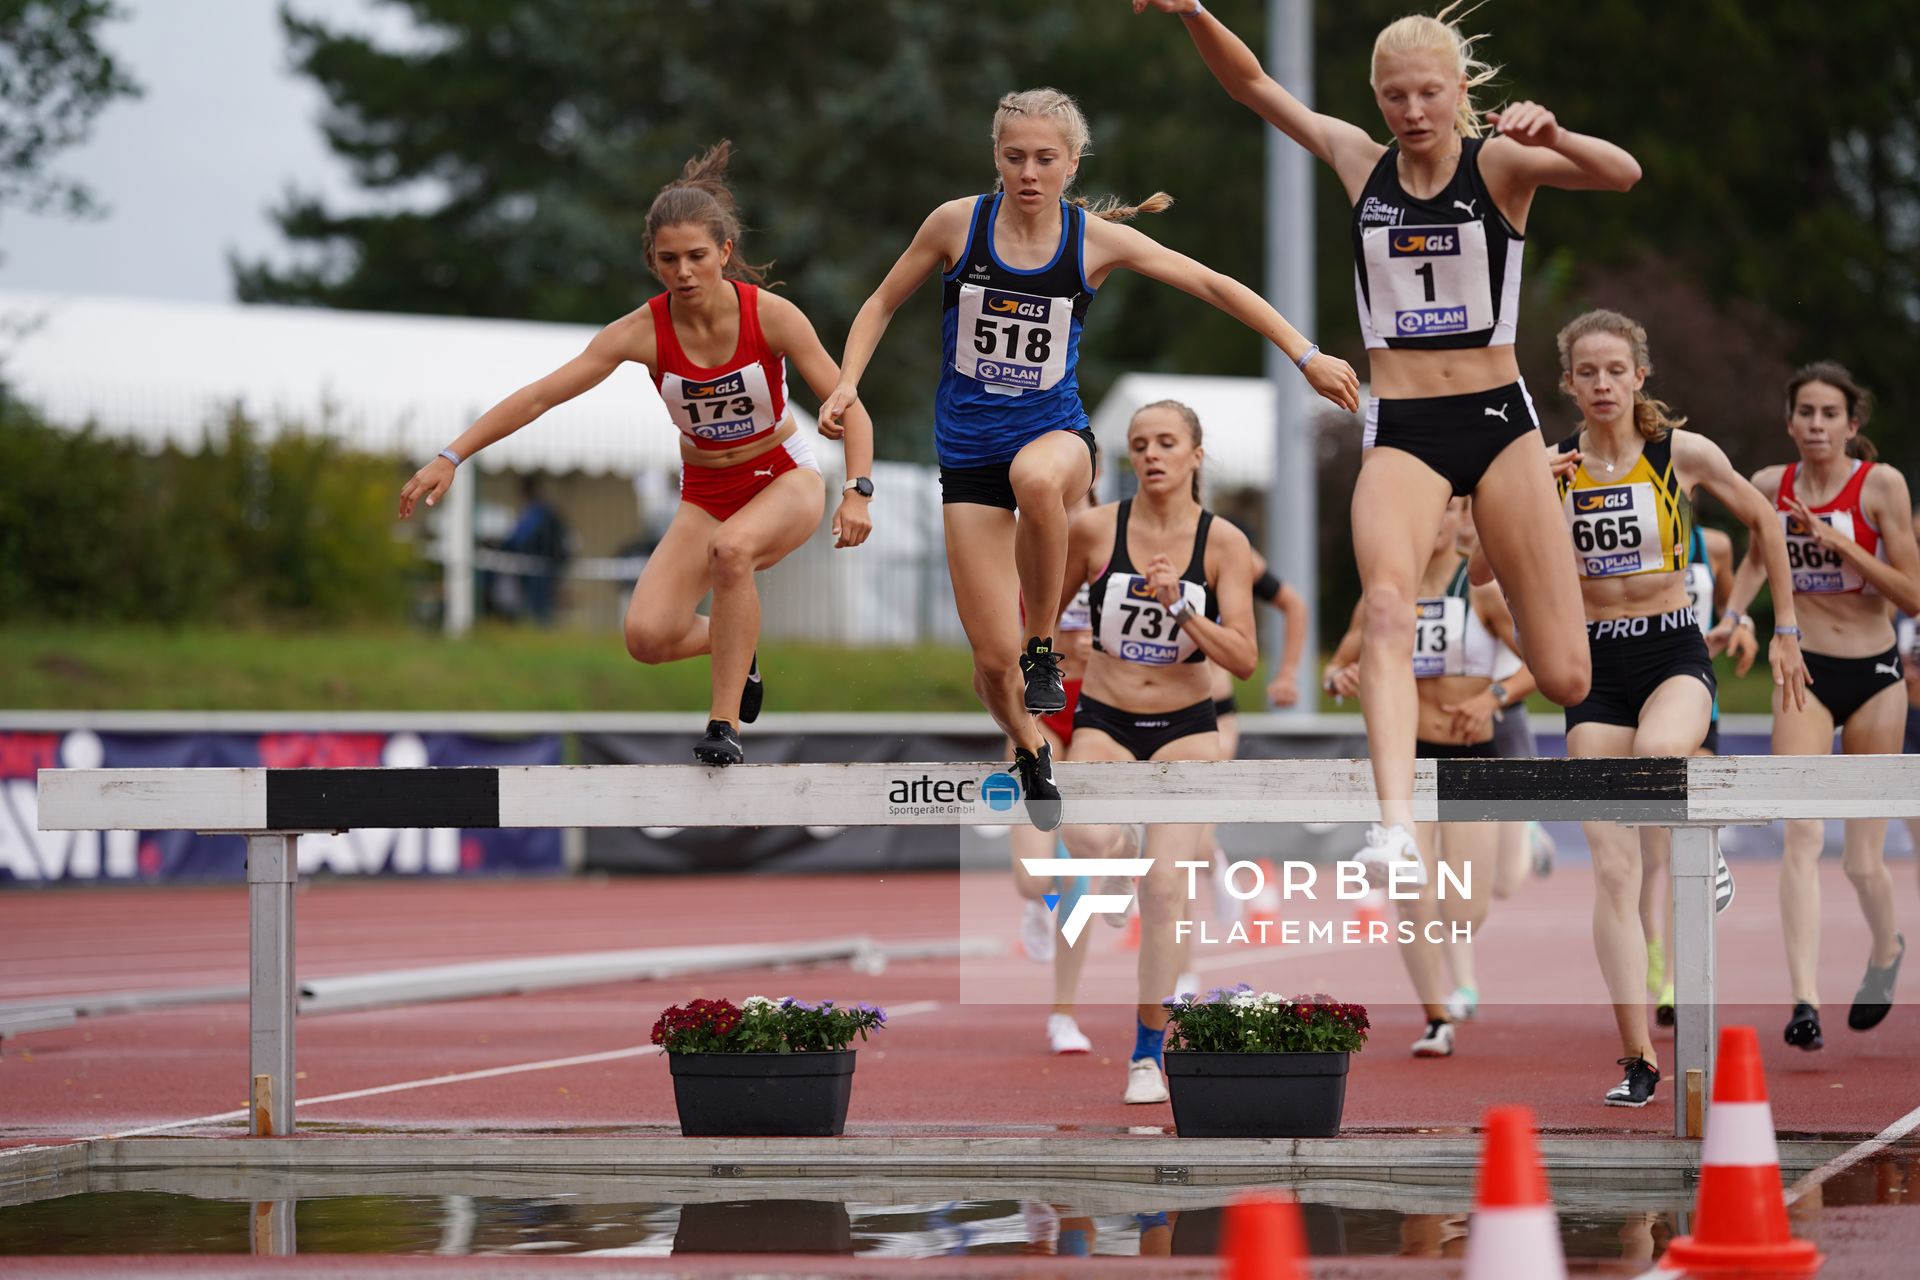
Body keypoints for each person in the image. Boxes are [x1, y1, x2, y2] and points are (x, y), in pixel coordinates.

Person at [1139, 0, 1640, 890]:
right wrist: (1192, 11)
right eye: (1394, 95)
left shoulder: (1504, 165)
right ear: (1376, 98)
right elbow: (1254, 87)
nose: (1411, 112)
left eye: (1428, 94)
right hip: (1404, 428)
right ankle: (1396, 827)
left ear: (1459, 94)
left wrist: (1560, 133)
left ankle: (1496, 562)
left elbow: (1624, 174)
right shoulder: (1357, 161)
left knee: (1566, 677)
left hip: (1496, 423)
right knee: (1384, 605)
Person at [818, 88, 1357, 830]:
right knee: (989, 666)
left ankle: (1045, 643)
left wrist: (1305, 354)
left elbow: (1212, 283)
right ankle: (1031, 746)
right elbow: (880, 303)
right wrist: (848, 381)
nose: (1029, 173)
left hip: (1057, 439)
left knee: (1036, 482)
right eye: (1014, 158)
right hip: (968, 456)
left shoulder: (1093, 242)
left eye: (1045, 159)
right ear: (996, 159)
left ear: (1072, 165)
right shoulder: (956, 224)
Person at [398, 143, 875, 764]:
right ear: (652, 261)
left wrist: (858, 490)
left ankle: (722, 727)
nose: (685, 273)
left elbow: (852, 404)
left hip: (782, 477)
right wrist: (451, 456)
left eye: (698, 257)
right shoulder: (640, 332)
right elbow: (542, 395)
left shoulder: (774, 317)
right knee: (647, 636)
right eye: (669, 260)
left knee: (732, 552)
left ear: (725, 253)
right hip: (705, 493)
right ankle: (740, 645)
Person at [1549, 309, 1805, 1107]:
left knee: (1657, 761)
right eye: (1586, 373)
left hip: (1672, 653)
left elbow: (1765, 518)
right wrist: (1534, 491)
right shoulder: (1548, 463)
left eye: (1614, 371)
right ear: (1568, 383)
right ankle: (1637, 1059)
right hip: (1595, 666)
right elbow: (1485, 567)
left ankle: (1711, 845)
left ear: (1639, 376)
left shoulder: (1679, 454)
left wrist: (1778, 627)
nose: (1600, 385)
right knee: (1613, 869)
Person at [1056, 400, 1258, 1104]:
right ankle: (1121, 848)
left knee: (1168, 893)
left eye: (1167, 442)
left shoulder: (1224, 542)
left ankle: (1147, 1050)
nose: (1152, 455)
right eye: (1140, 444)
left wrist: (1181, 608)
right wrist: (1053, 649)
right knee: (1081, 832)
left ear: (1196, 454)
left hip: (1187, 727)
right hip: (1107, 716)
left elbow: (1245, 660)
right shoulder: (1093, 530)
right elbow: (1043, 617)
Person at [1721, 364, 1920, 1052]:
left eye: (1829, 413)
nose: (1815, 424)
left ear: (1851, 425)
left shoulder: (1881, 486)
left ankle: (1887, 948)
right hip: (1802, 671)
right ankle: (1804, 999)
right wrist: (1735, 615)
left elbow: (1914, 594)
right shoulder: (1767, 486)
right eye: (1804, 412)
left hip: (1874, 674)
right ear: (1788, 422)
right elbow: (1754, 559)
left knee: (1862, 861)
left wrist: (1839, 543)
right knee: (1800, 835)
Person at [1322, 497, 1534, 1058]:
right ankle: (1436, 1016)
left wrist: (1493, 699)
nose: (1430, 519)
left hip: (1470, 757)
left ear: (1458, 515)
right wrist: (1340, 677)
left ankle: (1520, 839)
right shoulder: (1385, 592)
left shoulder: (1481, 590)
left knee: (1465, 909)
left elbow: (1541, 663)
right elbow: (1338, 663)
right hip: (1407, 762)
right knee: (1413, 895)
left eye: (1443, 508)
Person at [1011, 452, 1102, 1055]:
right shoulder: (1021, 545)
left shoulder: (1111, 548)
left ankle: (1063, 1012)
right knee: (1033, 876)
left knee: (1080, 872)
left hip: (1096, 709)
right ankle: (1039, 903)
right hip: (1035, 710)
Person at [1642, 522, 1748, 1027]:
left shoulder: (1716, 544)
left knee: (1681, 835)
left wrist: (1738, 625)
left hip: (1695, 693)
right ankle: (1658, 959)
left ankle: (1677, 979)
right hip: (1635, 689)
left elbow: (1733, 602)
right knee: (1650, 858)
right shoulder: (1630, 531)